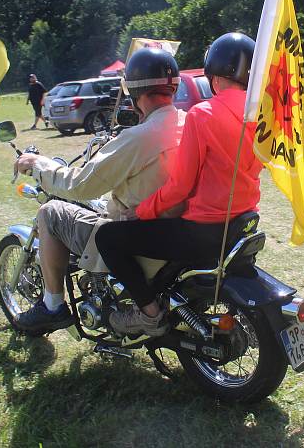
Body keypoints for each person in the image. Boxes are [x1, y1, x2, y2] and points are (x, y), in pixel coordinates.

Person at [95, 32, 262, 336]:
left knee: (108, 237)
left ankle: (147, 314)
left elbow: (180, 187)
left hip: (202, 232)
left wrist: (141, 211)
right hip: (241, 221)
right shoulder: (263, 114)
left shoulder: (203, 114)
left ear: (213, 76)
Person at [12, 48, 185, 334]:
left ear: (133, 90)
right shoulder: (186, 122)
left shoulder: (140, 137)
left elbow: (79, 185)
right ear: (174, 86)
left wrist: (39, 166)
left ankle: (53, 306)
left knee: (51, 212)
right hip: (175, 228)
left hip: (138, 234)